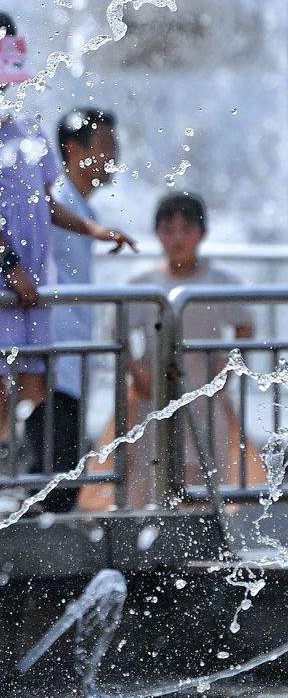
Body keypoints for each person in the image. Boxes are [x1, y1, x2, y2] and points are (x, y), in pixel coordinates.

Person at [0, 10, 136, 518]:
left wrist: (92, 229)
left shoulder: (23, 127)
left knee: (30, 384)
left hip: (26, 276)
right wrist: (10, 265)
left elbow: (44, 203)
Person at [80, 192, 265, 510]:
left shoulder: (220, 282)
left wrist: (228, 368)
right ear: (157, 233)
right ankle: (143, 538)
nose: (177, 238)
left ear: (202, 233)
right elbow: (116, 329)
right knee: (146, 471)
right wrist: (136, 370)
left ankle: (205, 535)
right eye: (169, 229)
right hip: (153, 398)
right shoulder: (143, 283)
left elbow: (245, 325)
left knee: (205, 474)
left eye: (186, 229)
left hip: (205, 396)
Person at [23, 107, 123, 512]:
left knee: (61, 459)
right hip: (55, 343)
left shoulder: (79, 207)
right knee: (52, 463)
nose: (114, 154)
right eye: (105, 145)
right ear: (73, 149)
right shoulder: (60, 202)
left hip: (70, 346)